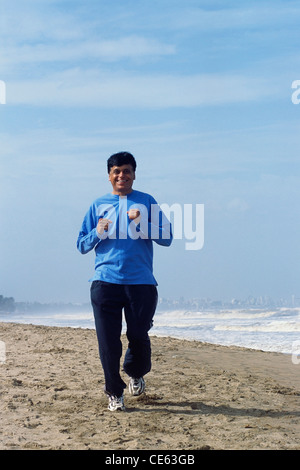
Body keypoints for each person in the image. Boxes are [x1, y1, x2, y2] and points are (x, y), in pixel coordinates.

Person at [77, 151, 173, 411]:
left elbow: (167, 237)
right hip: (104, 282)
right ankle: (114, 392)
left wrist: (142, 224)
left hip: (140, 283)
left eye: (127, 170)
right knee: (108, 341)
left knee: (138, 335)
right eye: (116, 171)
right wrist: (97, 232)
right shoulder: (98, 205)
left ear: (134, 174)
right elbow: (81, 245)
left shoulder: (147, 201)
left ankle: (135, 371)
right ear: (109, 176)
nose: (122, 175)